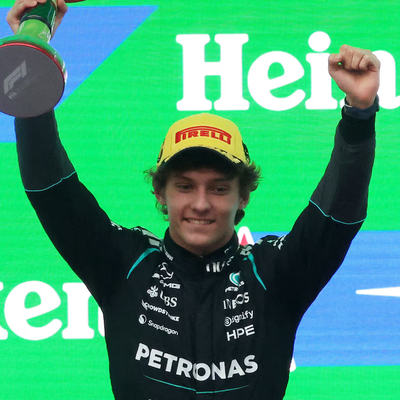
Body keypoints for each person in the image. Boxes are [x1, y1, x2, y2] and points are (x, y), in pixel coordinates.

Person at [7, 1, 380, 399]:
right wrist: (32, 59)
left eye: (218, 188)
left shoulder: (275, 273)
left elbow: (336, 216)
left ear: (243, 198)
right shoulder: (124, 264)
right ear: (160, 194)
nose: (201, 204)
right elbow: (52, 190)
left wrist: (359, 115)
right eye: (185, 186)